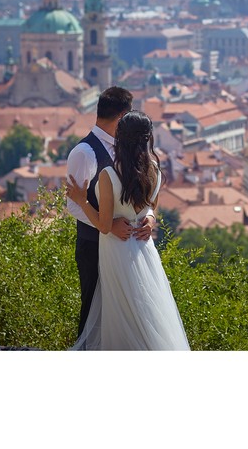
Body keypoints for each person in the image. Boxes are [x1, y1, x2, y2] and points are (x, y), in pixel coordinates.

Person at [66, 110, 190, 350]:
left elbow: (103, 226)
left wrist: (82, 200)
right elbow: (152, 205)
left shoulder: (109, 175)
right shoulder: (154, 168)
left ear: (120, 138)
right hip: (144, 249)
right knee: (148, 308)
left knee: (121, 310)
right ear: (147, 139)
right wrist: (150, 218)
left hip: (117, 250)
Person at [66, 86, 156, 339]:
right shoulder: (84, 152)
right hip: (93, 245)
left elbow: (145, 199)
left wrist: (149, 218)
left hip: (129, 248)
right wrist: (107, 224)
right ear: (121, 118)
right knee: (94, 312)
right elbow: (73, 204)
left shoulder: (128, 149)